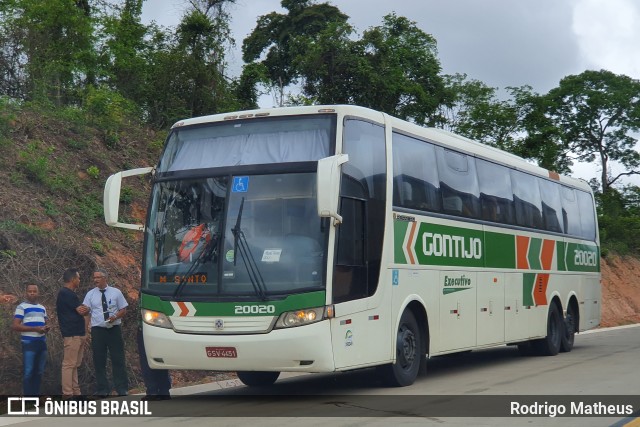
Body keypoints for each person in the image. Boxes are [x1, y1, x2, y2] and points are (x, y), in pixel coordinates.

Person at [82, 269, 129, 397]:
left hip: (114, 329)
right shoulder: (90, 294)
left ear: (105, 278)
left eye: (98, 277)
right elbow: (86, 313)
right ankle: (103, 389)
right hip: (98, 330)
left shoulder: (116, 292)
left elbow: (123, 309)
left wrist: (115, 316)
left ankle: (121, 388)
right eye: (94, 277)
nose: (96, 280)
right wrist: (85, 330)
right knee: (99, 360)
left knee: (118, 358)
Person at [56, 268, 89, 399]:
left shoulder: (71, 294)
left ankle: (76, 392)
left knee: (75, 364)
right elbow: (82, 311)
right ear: (73, 279)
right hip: (72, 334)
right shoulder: (65, 293)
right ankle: (68, 394)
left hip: (78, 333)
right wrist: (88, 309)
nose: (79, 280)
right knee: (69, 364)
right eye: (78, 278)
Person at [12, 282, 50, 396]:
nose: (32, 293)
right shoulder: (22, 307)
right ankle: (28, 400)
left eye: (34, 291)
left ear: (38, 293)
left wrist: (46, 328)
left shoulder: (42, 308)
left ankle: (36, 396)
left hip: (41, 343)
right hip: (28, 343)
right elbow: (15, 326)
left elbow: (46, 323)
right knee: (28, 372)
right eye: (30, 291)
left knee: (39, 371)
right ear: (26, 293)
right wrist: (35, 329)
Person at [137, 318, 171, 401]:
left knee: (153, 360)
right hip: (156, 327)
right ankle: (159, 391)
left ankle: (156, 391)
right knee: (157, 359)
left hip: (151, 328)